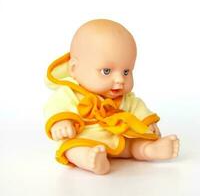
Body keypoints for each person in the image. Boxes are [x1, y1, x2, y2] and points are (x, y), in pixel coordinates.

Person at [44, 19, 180, 175]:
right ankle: (90, 159)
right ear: (74, 68)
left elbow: (137, 107)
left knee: (134, 143)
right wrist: (61, 122)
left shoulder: (125, 98)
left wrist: (146, 122)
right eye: (106, 71)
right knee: (71, 148)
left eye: (126, 72)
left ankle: (149, 150)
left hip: (119, 138)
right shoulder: (69, 94)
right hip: (85, 138)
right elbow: (55, 107)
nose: (120, 79)